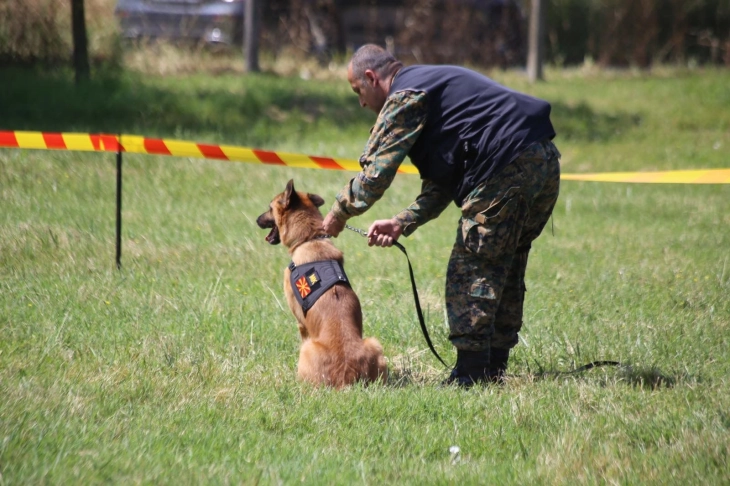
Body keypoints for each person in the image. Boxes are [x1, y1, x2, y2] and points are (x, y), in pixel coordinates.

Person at [322, 44, 561, 387]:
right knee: (506, 263)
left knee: (472, 268)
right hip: (543, 160)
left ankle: (472, 375)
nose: (361, 102)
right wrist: (402, 222)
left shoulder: (404, 96)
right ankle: (492, 368)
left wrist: (338, 214)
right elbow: (443, 184)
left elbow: (376, 174)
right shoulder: (433, 86)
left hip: (505, 164)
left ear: (372, 78)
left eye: (358, 91)